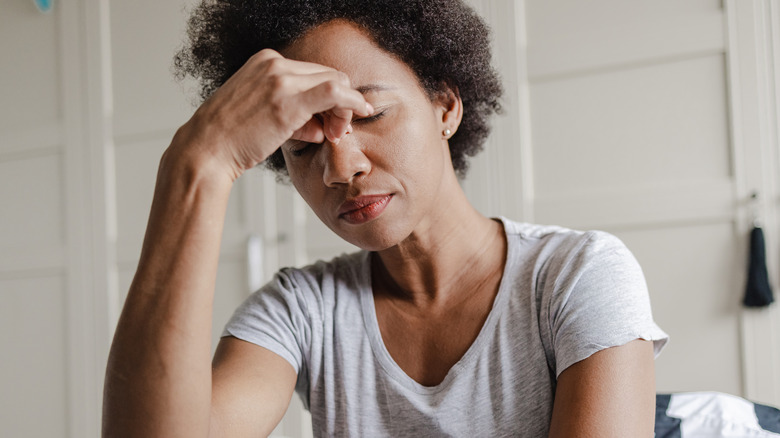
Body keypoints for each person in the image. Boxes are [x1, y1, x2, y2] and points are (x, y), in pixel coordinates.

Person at [103, 0, 669, 436]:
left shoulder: (577, 275)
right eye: (302, 147)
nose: (339, 167)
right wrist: (197, 162)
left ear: (445, 106)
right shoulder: (302, 311)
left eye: (368, 114)